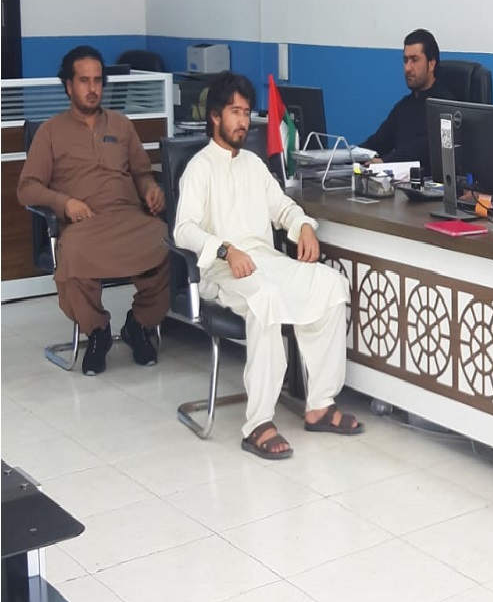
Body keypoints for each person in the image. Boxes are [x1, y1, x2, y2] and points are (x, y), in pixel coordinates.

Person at [174, 72, 362, 460]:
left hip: (265, 262)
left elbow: (283, 208)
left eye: (246, 113)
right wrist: (225, 250)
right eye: (235, 112)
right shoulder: (199, 168)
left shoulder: (254, 165)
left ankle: (320, 404)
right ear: (215, 117)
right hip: (222, 271)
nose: (243, 121)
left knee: (329, 283)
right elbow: (183, 230)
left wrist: (303, 226)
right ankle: (258, 423)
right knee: (267, 297)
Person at [17, 45, 169, 376]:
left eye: (98, 80)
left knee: (167, 244)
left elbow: (142, 173)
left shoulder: (121, 125)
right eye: (84, 81)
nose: (92, 88)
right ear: (69, 85)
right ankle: (98, 332)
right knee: (73, 253)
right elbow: (26, 188)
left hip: (128, 219)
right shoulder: (51, 132)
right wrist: (64, 203)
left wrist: (150, 189)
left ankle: (139, 325)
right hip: (84, 224)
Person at [360, 29, 455, 168]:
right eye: (405, 60)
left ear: (431, 63)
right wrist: (348, 156)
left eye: (414, 60)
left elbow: (426, 148)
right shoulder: (404, 107)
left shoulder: (446, 106)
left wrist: (386, 162)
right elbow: (378, 142)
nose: (408, 68)